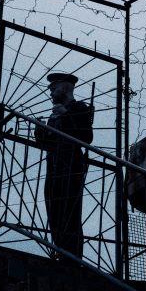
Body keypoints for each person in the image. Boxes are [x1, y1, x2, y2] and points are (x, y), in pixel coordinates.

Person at [34, 73, 93, 259]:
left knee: (70, 210)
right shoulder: (56, 112)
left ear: (66, 88)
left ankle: (72, 256)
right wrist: (40, 130)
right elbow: (47, 143)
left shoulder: (78, 108)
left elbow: (86, 137)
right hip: (54, 165)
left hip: (71, 166)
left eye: (54, 88)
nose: (50, 92)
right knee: (54, 209)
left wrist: (65, 115)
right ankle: (61, 251)